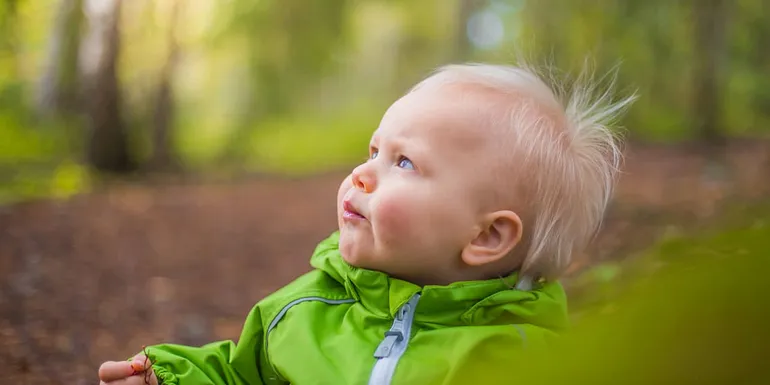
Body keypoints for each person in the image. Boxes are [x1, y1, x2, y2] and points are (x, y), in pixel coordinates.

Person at [98, 61, 636, 385]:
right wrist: (172, 376)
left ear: (486, 236)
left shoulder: (518, 359)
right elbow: (243, 374)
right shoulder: (301, 308)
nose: (362, 174)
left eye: (403, 163)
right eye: (373, 150)